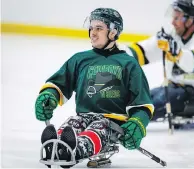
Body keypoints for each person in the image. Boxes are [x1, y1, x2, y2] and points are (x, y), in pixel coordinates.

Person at [35, 8, 154, 167]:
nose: (92, 33)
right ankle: (56, 145)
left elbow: (142, 104)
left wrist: (138, 123)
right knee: (72, 124)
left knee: (97, 130)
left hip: (112, 122)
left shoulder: (129, 64)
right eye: (91, 28)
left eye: (99, 28)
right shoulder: (80, 59)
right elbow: (58, 83)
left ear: (113, 32)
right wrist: (49, 95)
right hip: (84, 116)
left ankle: (76, 149)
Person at [124, 0, 194, 122]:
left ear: (189, 20)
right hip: (172, 88)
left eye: (177, 18)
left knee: (151, 105)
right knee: (138, 100)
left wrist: (178, 53)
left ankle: (127, 121)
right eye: (173, 16)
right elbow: (147, 50)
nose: (173, 22)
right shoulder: (173, 35)